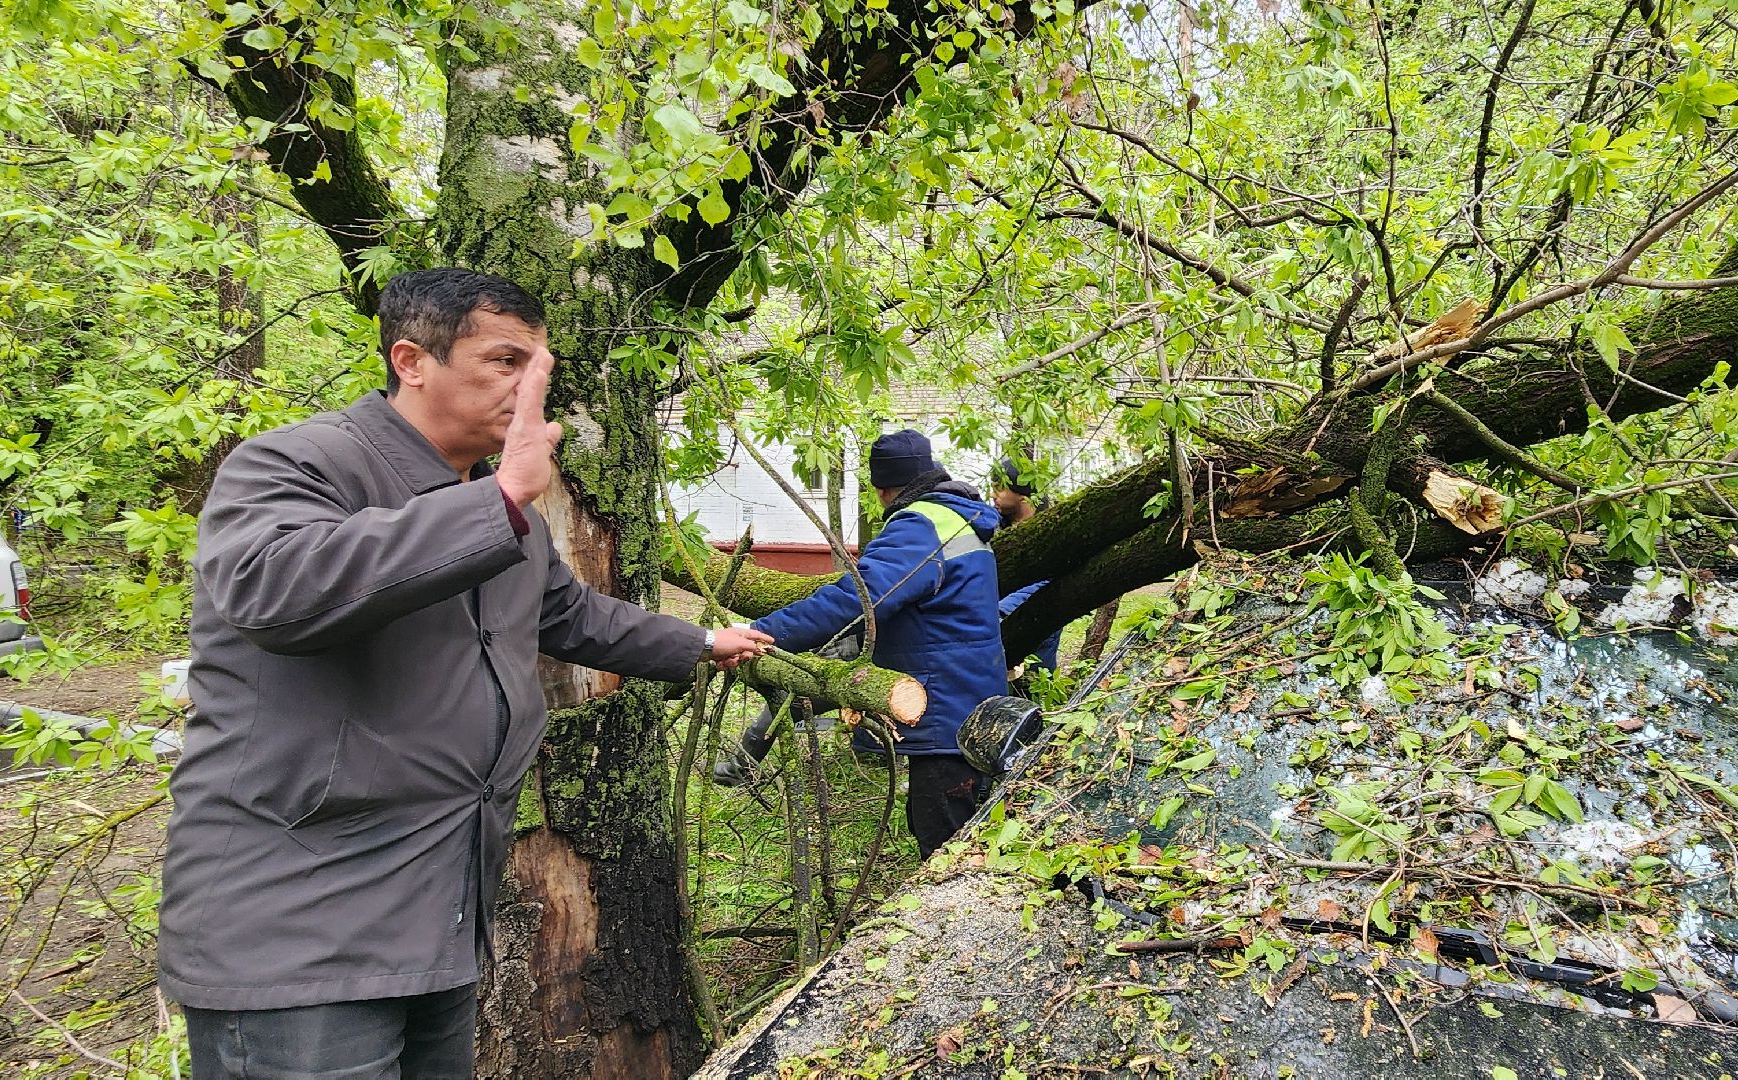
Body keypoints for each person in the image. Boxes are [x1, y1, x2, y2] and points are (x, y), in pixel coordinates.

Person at [160, 268, 773, 1079]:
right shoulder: (297, 464)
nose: (529, 392)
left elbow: (568, 614)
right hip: (298, 926)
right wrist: (506, 500)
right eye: (505, 363)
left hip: (438, 910)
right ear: (411, 360)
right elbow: (273, 594)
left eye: (539, 370)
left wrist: (697, 644)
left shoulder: (485, 498)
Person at [751, 430, 1007, 856]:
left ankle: (952, 920)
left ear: (882, 488)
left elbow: (861, 600)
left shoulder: (920, 526)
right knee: (948, 826)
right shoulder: (957, 516)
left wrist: (763, 632)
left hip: (943, 705)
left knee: (944, 842)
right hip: (966, 695)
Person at [992, 455, 1062, 682]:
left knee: (1035, 685)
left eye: (1000, 488)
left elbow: (1048, 579)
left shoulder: (1051, 531)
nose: (993, 494)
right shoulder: (993, 527)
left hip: (1038, 622)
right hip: (997, 625)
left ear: (1022, 495)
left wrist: (1002, 608)